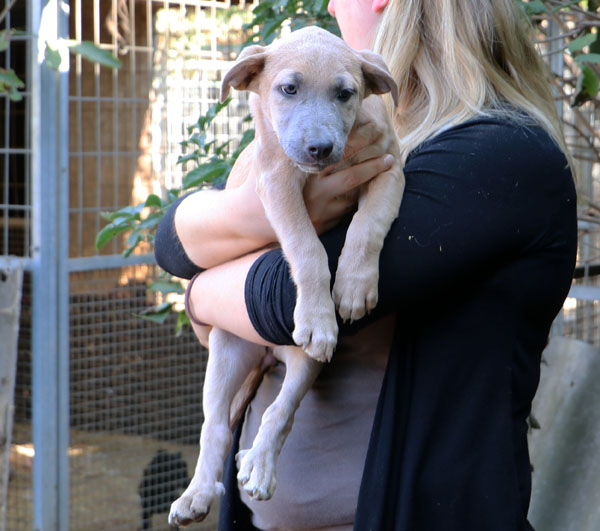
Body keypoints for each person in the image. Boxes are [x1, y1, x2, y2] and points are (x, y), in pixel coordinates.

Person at [154, 0, 578, 529]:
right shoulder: (350, 136)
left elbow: (284, 305)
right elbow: (171, 244)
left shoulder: (498, 154)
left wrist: (199, 293)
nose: (331, 4)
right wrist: (244, 220)